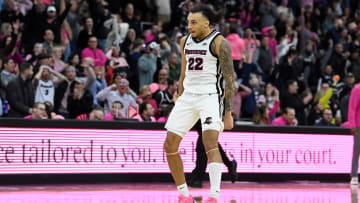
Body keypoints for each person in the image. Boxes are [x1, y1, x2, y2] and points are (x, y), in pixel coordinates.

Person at [163, 4, 235, 203]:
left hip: (210, 96)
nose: (189, 26)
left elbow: (229, 79)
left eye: (193, 22)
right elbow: (184, 72)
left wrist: (227, 113)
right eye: (188, 22)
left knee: (209, 143)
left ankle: (214, 196)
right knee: (169, 145)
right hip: (188, 97)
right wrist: (179, 93)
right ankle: (184, 195)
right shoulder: (184, 41)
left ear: (206, 23)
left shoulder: (220, 43)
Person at [188, 120, 238, 188]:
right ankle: (230, 165)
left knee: (204, 139)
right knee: (209, 140)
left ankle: (198, 177)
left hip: (208, 114)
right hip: (203, 114)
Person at [349, 83, 360, 185]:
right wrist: (352, 125)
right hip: (359, 124)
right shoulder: (357, 89)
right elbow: (352, 108)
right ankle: (354, 175)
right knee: (357, 150)